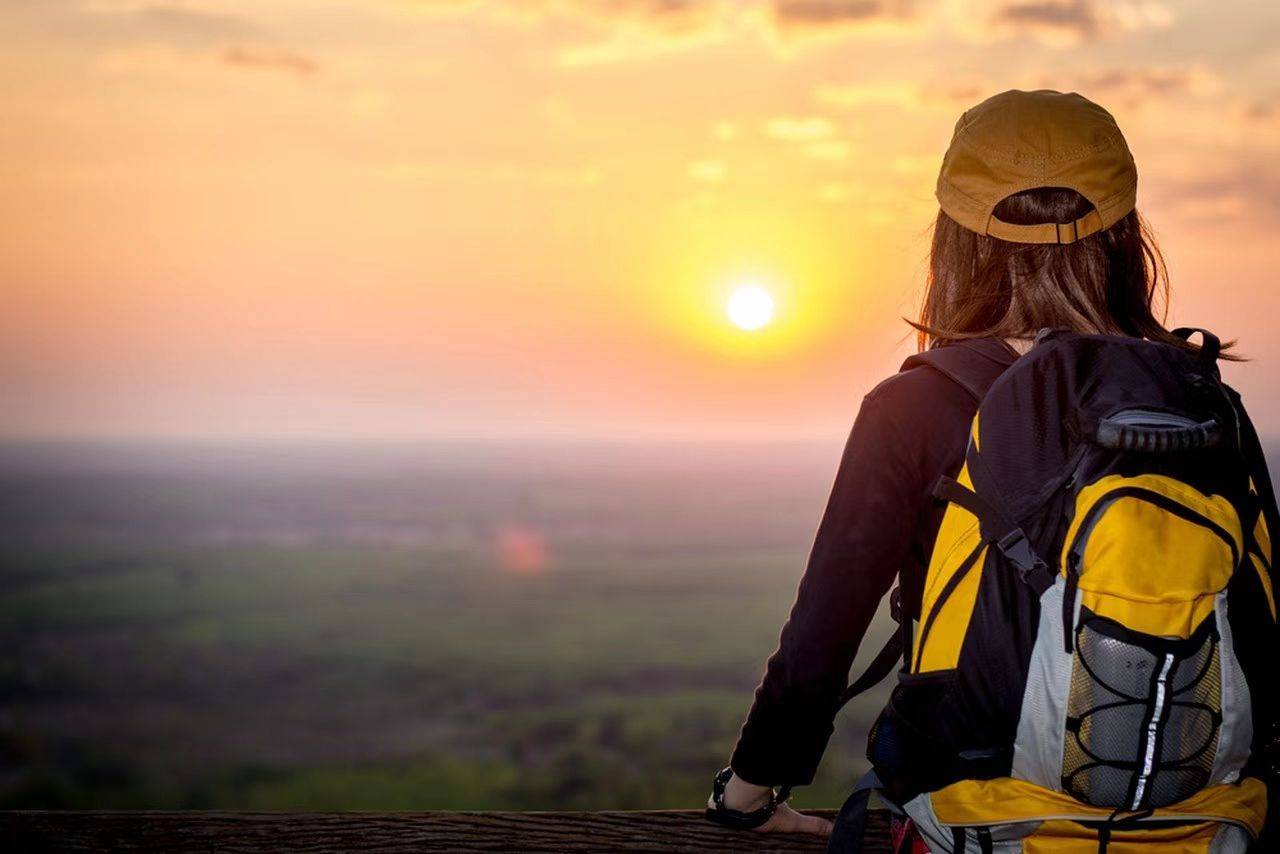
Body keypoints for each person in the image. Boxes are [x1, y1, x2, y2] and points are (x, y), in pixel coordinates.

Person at [704, 89, 1279, 852]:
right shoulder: (1202, 400)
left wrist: (747, 796)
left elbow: (823, 631)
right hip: (1203, 824)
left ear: (956, 237)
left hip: (979, 818)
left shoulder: (916, 406)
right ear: (1124, 232)